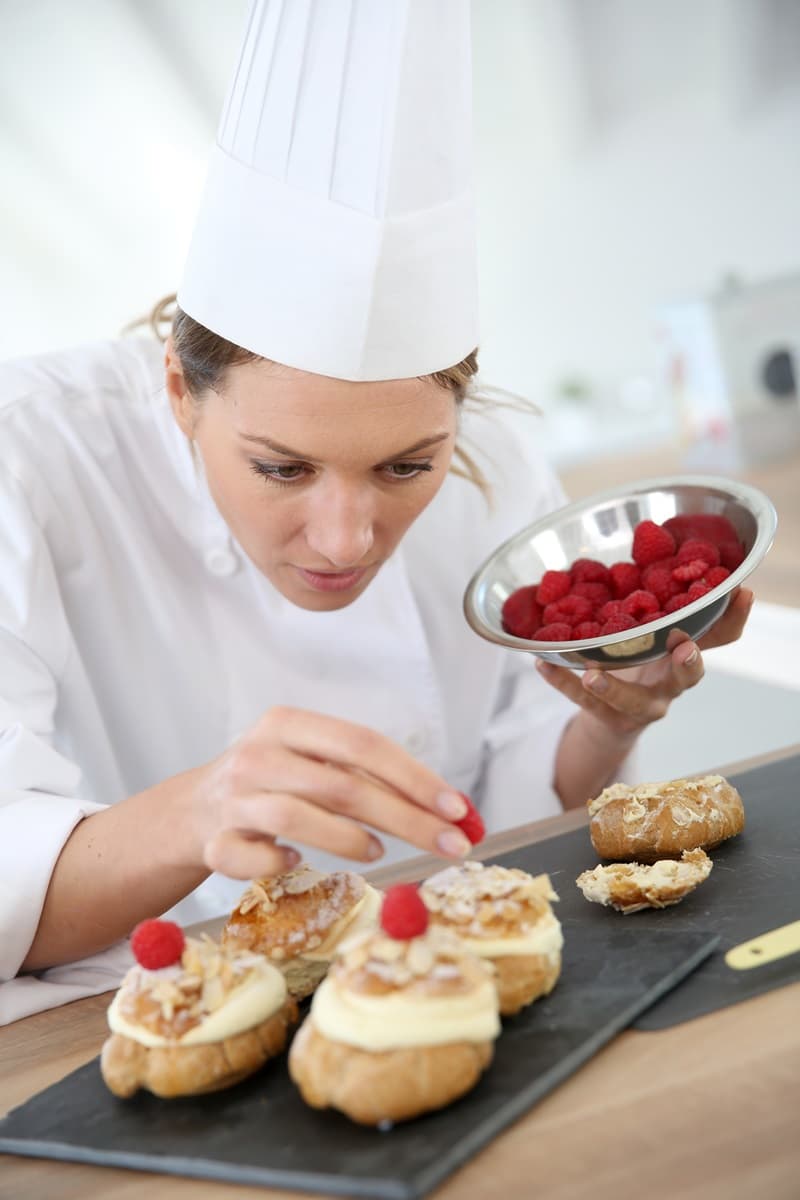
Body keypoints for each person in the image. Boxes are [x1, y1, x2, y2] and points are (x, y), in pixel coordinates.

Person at [0, 0, 751, 1021]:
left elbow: (527, 801)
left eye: (405, 468)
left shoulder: (494, 458)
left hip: (450, 984)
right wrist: (200, 809)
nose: (346, 539)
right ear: (180, 392)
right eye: (279, 468)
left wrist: (611, 716)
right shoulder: (27, 456)